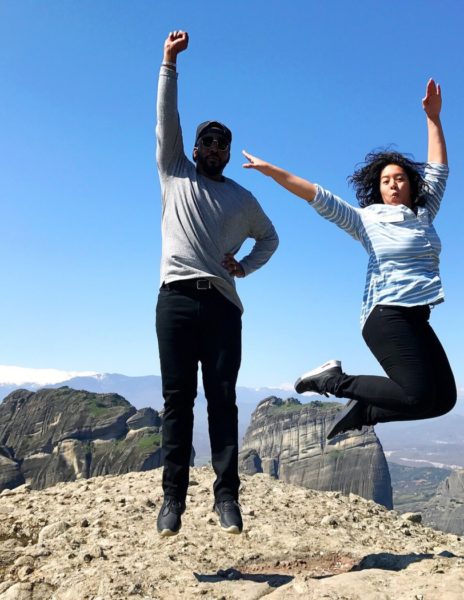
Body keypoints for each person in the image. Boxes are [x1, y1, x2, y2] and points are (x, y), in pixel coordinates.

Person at [242, 78, 456, 440]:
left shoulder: (423, 213)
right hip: (386, 314)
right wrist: (272, 170)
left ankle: (367, 410)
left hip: (418, 314)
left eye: (400, 178)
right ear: (378, 188)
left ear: (410, 184)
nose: (393, 184)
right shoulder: (366, 219)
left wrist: (433, 119)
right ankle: (333, 380)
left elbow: (438, 170)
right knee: (417, 392)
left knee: (442, 400)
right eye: (387, 180)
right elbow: (318, 196)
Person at [155, 31, 279, 537]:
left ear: (227, 153)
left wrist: (245, 267)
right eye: (207, 139)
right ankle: (172, 502)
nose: (213, 147)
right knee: (177, 401)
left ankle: (226, 498)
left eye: (221, 142)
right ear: (196, 147)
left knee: (222, 400)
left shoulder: (244, 200)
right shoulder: (174, 172)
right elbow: (167, 121)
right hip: (177, 300)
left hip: (224, 307)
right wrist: (169, 63)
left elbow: (270, 238)